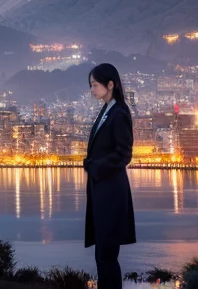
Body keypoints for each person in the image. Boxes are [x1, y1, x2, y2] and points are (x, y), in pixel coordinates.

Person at [83, 63, 136, 287]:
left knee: (107, 254)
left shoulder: (119, 113)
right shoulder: (107, 111)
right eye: (91, 85)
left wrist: (95, 166)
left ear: (110, 84)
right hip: (102, 191)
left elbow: (124, 154)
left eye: (95, 85)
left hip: (111, 192)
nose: (92, 89)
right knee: (102, 253)